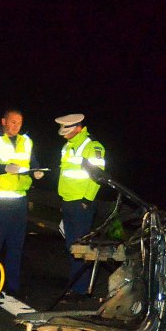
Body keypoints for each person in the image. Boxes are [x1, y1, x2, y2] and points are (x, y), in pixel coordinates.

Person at [0, 109, 43, 297]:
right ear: (3, 121)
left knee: (16, 244)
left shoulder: (26, 141)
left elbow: (33, 162)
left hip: (19, 199)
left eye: (19, 123)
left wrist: (37, 171)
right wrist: (4, 168)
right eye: (12, 122)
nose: (16, 126)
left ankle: (12, 285)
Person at [54, 113, 106, 299]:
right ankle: (74, 284)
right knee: (71, 246)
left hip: (81, 204)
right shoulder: (67, 146)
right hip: (68, 202)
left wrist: (87, 200)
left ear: (77, 128)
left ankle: (80, 290)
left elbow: (97, 177)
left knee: (80, 247)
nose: (63, 133)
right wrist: (63, 200)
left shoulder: (92, 146)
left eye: (66, 129)